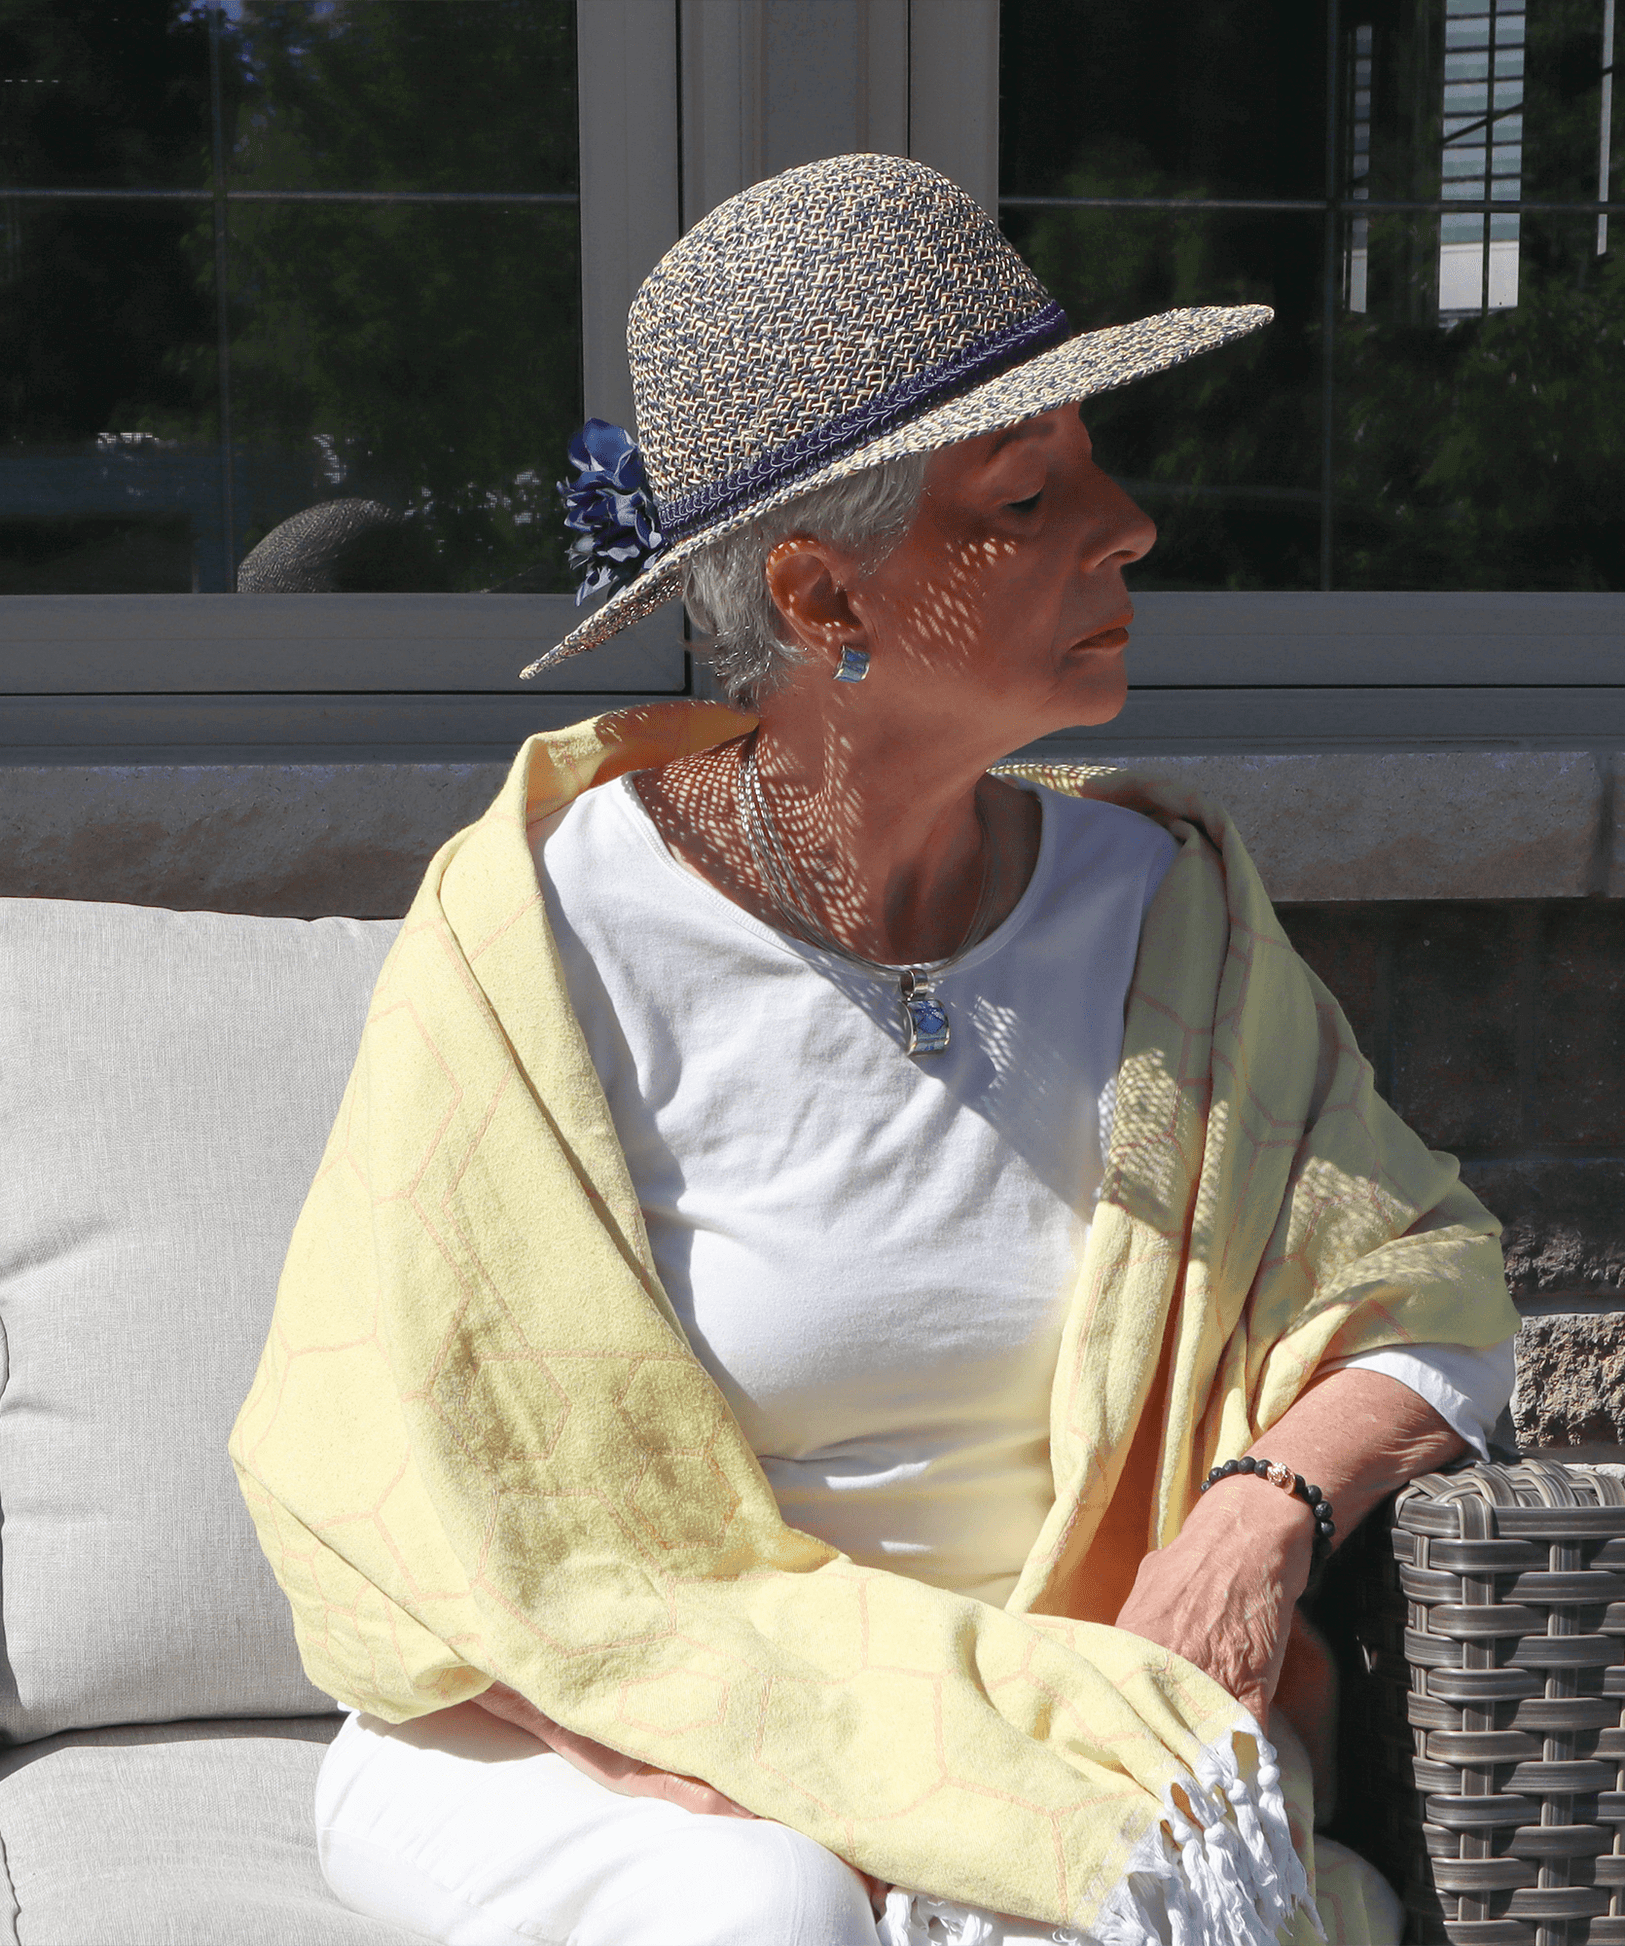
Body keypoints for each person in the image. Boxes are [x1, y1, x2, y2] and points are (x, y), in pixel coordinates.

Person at [232, 155, 1518, 1946]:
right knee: (759, 1910)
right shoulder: (539, 932)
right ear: (824, 604)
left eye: (1092, 462)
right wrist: (798, 1756)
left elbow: (1427, 1277)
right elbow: (421, 1473)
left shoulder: (1168, 916)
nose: (1128, 521)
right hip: (577, 1733)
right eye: (1029, 491)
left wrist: (1258, 1510)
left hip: (1026, 1717)